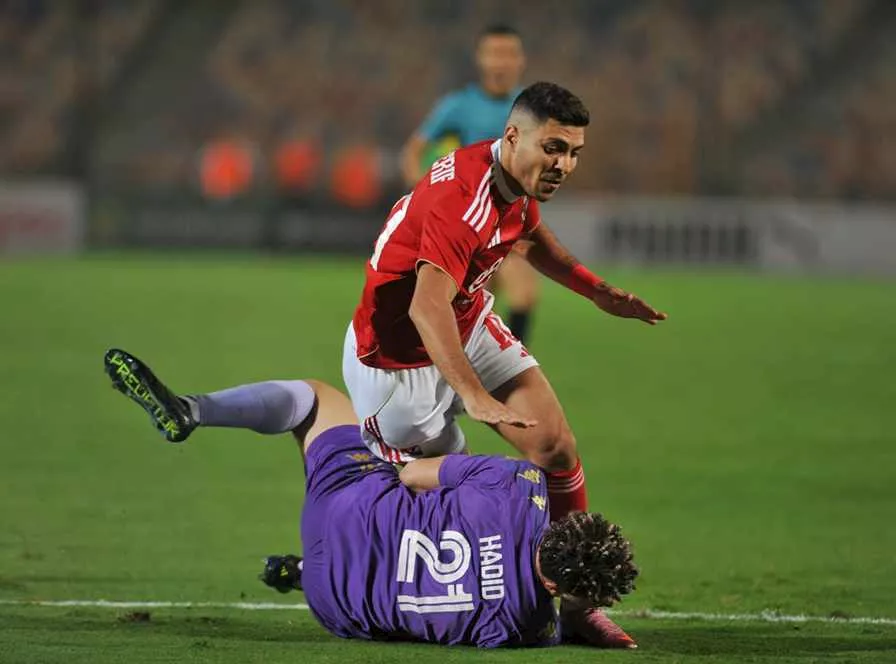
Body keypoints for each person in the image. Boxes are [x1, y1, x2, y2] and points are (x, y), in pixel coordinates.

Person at [102, 348, 639, 649]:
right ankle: (303, 571)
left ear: (569, 528)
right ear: (561, 590)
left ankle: (192, 410)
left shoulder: (517, 485)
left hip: (344, 510)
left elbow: (412, 474)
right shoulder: (527, 628)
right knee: (400, 590)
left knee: (314, 400)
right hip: (335, 604)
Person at [347, 81, 666, 520]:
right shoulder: (463, 201)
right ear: (513, 136)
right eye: (554, 148)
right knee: (441, 501)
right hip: (397, 359)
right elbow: (426, 306)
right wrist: (473, 394)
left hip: (464, 324)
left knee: (554, 447)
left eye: (573, 152)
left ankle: (570, 561)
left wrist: (595, 291)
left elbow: (529, 237)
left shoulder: (508, 175)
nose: (564, 165)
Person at [401, 24, 538, 345]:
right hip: (469, 224)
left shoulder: (533, 108)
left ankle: (505, 367)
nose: (501, 62)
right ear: (481, 59)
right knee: (476, 308)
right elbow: (413, 152)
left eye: (509, 54)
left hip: (511, 221)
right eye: (494, 53)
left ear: (521, 60)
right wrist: (425, 197)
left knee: (523, 294)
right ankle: (476, 366)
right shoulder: (458, 106)